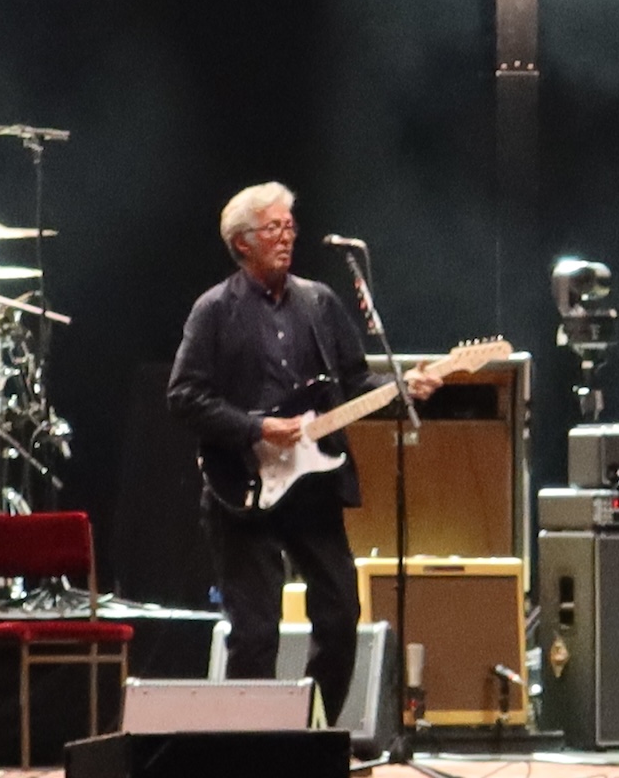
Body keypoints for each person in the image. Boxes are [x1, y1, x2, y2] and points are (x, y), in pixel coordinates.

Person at [167, 181, 441, 725]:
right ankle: (251, 749)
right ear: (242, 241)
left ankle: (310, 733)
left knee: (340, 616)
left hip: (314, 486)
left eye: (290, 226)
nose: (286, 237)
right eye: (273, 228)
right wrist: (257, 427)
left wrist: (403, 388)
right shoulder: (214, 309)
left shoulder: (320, 302)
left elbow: (355, 382)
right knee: (256, 633)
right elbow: (184, 396)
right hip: (242, 488)